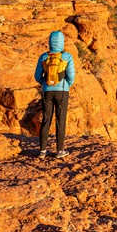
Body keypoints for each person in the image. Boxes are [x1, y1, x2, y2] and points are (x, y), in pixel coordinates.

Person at [35, 30, 76, 159]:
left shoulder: (44, 57)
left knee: (46, 119)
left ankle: (42, 151)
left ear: (50, 42)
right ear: (62, 41)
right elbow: (71, 76)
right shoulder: (67, 56)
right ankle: (59, 151)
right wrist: (67, 85)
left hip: (47, 91)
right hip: (62, 91)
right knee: (60, 120)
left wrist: (45, 84)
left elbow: (37, 76)